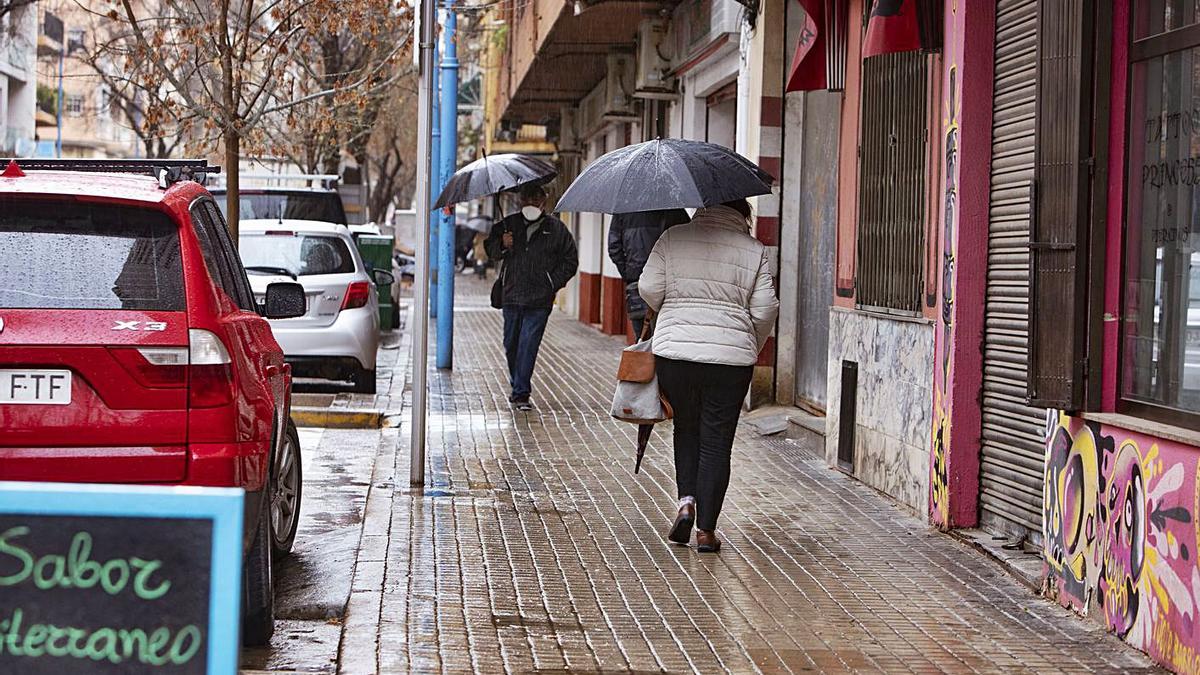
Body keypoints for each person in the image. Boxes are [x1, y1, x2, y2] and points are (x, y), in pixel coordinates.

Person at [638, 199, 779, 553]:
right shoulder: (754, 250)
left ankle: (686, 502)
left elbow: (649, 288)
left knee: (686, 427)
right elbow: (765, 309)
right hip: (730, 362)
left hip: (676, 354)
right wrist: (750, 342)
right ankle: (706, 530)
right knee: (717, 440)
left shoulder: (674, 237)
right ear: (743, 214)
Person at [484, 185, 579, 410]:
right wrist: (502, 244)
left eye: (536, 197)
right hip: (512, 296)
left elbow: (570, 261)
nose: (532, 202)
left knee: (528, 344)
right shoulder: (508, 226)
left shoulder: (556, 229)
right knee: (511, 344)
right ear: (519, 200)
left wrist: (551, 283)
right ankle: (518, 383)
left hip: (539, 300)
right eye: (527, 197)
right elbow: (491, 251)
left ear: (544, 201)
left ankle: (521, 393)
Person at [608, 209, 690, 338]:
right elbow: (686, 244)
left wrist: (629, 273)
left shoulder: (624, 210)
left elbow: (614, 248)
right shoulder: (674, 208)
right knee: (666, 340)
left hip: (636, 284)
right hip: (667, 285)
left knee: (642, 340)